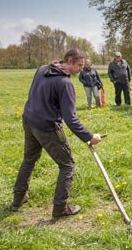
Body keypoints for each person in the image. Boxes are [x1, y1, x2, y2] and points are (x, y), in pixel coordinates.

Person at [11, 49, 103, 218]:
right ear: (68, 61)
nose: (81, 69)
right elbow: (70, 118)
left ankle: (18, 198)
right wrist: (89, 136)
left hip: (30, 120)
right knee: (67, 165)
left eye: (83, 66)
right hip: (46, 127)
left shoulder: (42, 69)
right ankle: (60, 207)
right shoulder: (64, 83)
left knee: (29, 159)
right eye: (79, 65)